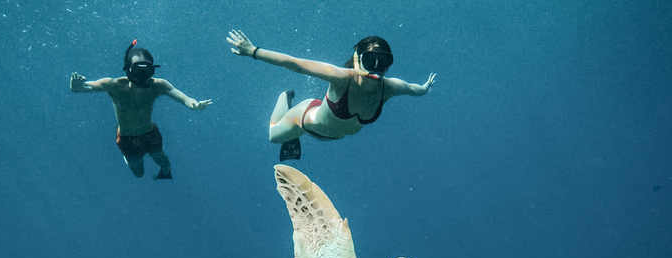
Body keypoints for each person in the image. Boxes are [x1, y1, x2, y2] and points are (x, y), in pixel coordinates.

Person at [227, 30, 436, 161]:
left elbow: (412, 89)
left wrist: (426, 87)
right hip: (304, 119)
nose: (376, 69)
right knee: (273, 136)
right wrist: (253, 51)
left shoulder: (390, 87)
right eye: (370, 60)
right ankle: (285, 97)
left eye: (383, 63)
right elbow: (296, 64)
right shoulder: (342, 77)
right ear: (357, 58)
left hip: (330, 131)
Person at [70, 40, 212, 179]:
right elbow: (85, 87)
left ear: (152, 70)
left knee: (163, 160)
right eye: (138, 71)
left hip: (150, 133)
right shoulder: (115, 85)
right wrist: (76, 86)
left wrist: (193, 104)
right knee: (138, 173)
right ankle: (128, 158)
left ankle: (163, 175)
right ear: (128, 69)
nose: (142, 76)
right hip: (127, 139)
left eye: (146, 71)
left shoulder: (158, 85)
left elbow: (182, 96)